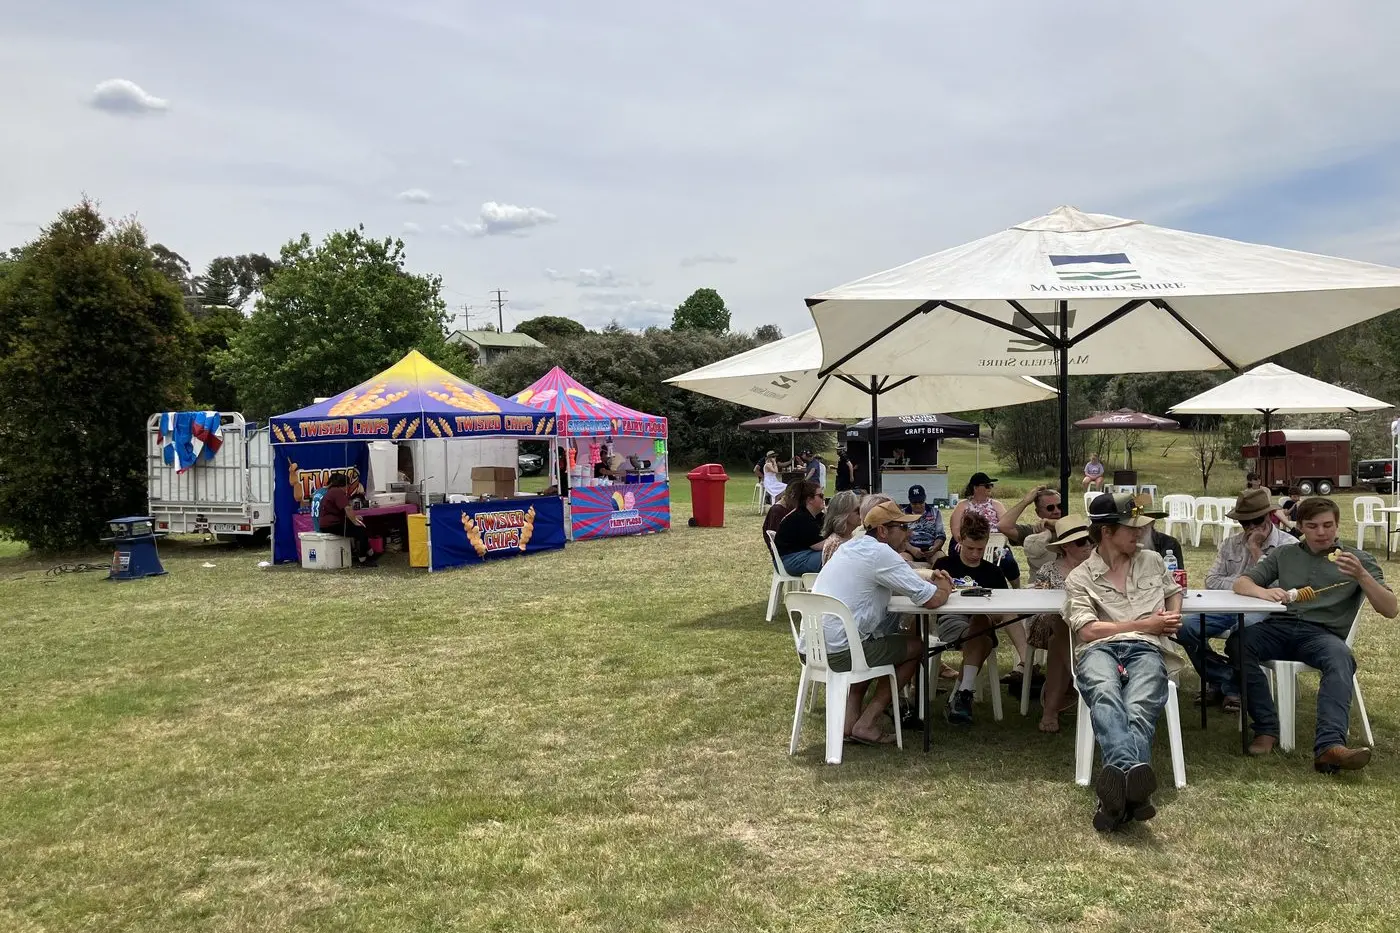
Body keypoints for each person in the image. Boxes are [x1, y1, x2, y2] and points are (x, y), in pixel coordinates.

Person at [1231, 497, 1397, 771]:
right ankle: (1266, 728)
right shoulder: (1285, 554)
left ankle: (1330, 746)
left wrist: (1362, 576)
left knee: (1340, 658)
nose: (1322, 532)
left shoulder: (1358, 560)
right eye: (1313, 526)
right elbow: (1241, 582)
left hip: (1321, 634)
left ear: (1337, 525)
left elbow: (1390, 609)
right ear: (1300, 527)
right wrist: (1263, 592)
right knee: (1239, 643)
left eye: (1328, 525)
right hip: (1280, 627)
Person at [1065, 492, 1183, 832]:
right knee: (1104, 692)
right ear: (1107, 532)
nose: (1140, 533)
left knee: (1139, 705)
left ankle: (1116, 797)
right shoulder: (1080, 577)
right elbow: (1088, 630)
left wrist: (1171, 617)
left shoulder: (1153, 561)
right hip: (1099, 649)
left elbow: (1173, 591)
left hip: (1146, 648)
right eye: (1131, 528)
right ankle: (1134, 789)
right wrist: (1145, 625)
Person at [809, 499, 954, 745]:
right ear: (883, 531)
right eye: (903, 527)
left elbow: (900, 579)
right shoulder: (881, 553)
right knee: (917, 647)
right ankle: (867, 722)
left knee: (873, 643)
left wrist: (926, 580)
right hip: (841, 652)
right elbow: (931, 600)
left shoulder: (851, 546)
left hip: (813, 649)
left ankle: (849, 722)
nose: (909, 533)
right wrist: (945, 586)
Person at [1176, 488, 1294, 713]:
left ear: (1268, 517)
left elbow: (1281, 589)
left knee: (1243, 630)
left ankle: (1229, 688)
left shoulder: (1287, 545)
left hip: (1266, 611)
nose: (1251, 527)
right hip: (1227, 606)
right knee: (1184, 627)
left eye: (1256, 520)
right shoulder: (1230, 543)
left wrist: (1256, 551)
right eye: (1245, 522)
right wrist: (1246, 586)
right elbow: (1212, 580)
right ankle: (1225, 677)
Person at [932, 511, 1007, 726]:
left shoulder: (994, 573)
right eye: (970, 548)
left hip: (982, 621)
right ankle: (962, 694)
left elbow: (1003, 611)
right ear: (960, 541)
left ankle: (961, 696)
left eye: (980, 549)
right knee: (983, 639)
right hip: (951, 620)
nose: (975, 554)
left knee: (981, 623)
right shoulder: (945, 565)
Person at [1027, 515, 1094, 732]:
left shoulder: (1097, 568)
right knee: (1061, 623)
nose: (1088, 545)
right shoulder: (1048, 569)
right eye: (1081, 542)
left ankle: (1051, 710)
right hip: (1047, 624)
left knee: (1060, 638)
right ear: (1066, 546)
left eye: (1090, 540)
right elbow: (1038, 604)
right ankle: (1085, 679)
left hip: (1085, 626)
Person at [950, 472, 1021, 585]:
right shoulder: (962, 505)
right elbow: (955, 528)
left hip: (996, 542)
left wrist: (999, 542)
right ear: (975, 488)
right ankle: (959, 583)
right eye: (987, 485)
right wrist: (962, 541)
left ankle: (1017, 588)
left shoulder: (996, 505)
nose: (990, 488)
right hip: (968, 541)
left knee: (1008, 561)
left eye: (991, 485)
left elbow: (1007, 526)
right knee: (956, 555)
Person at [998, 484, 1063, 577]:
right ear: (1038, 513)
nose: (1057, 511)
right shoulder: (1033, 532)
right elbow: (1003, 526)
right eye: (1050, 508)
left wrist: (1053, 523)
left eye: (1060, 506)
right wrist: (1025, 502)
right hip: (1042, 583)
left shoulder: (1073, 527)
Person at [318, 472, 377, 568]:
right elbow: (347, 508)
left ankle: (370, 553)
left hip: (329, 523)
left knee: (361, 527)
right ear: (344, 485)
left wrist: (355, 518)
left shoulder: (331, 491)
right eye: (348, 485)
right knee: (361, 531)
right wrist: (354, 521)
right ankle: (363, 559)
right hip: (331, 525)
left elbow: (344, 510)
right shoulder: (337, 492)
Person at [774, 479, 826, 575]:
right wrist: (840, 540)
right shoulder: (801, 517)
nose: (824, 498)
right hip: (789, 560)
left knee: (837, 554)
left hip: (804, 554)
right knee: (833, 556)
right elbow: (819, 545)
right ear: (809, 500)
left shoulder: (816, 516)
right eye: (821, 496)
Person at [902, 485, 946, 564]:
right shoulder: (902, 514)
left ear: (925, 498)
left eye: (921, 502)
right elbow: (898, 538)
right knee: (902, 560)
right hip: (909, 550)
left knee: (942, 561)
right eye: (914, 503)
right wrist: (911, 549)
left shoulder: (935, 512)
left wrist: (935, 548)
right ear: (909, 500)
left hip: (931, 549)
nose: (918, 505)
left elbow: (940, 534)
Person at [819, 490, 862, 564]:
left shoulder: (847, 536)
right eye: (857, 510)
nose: (861, 513)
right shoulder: (835, 544)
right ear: (844, 514)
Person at [762, 482, 802, 551]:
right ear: (792, 495)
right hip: (788, 552)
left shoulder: (792, 507)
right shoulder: (777, 511)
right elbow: (777, 540)